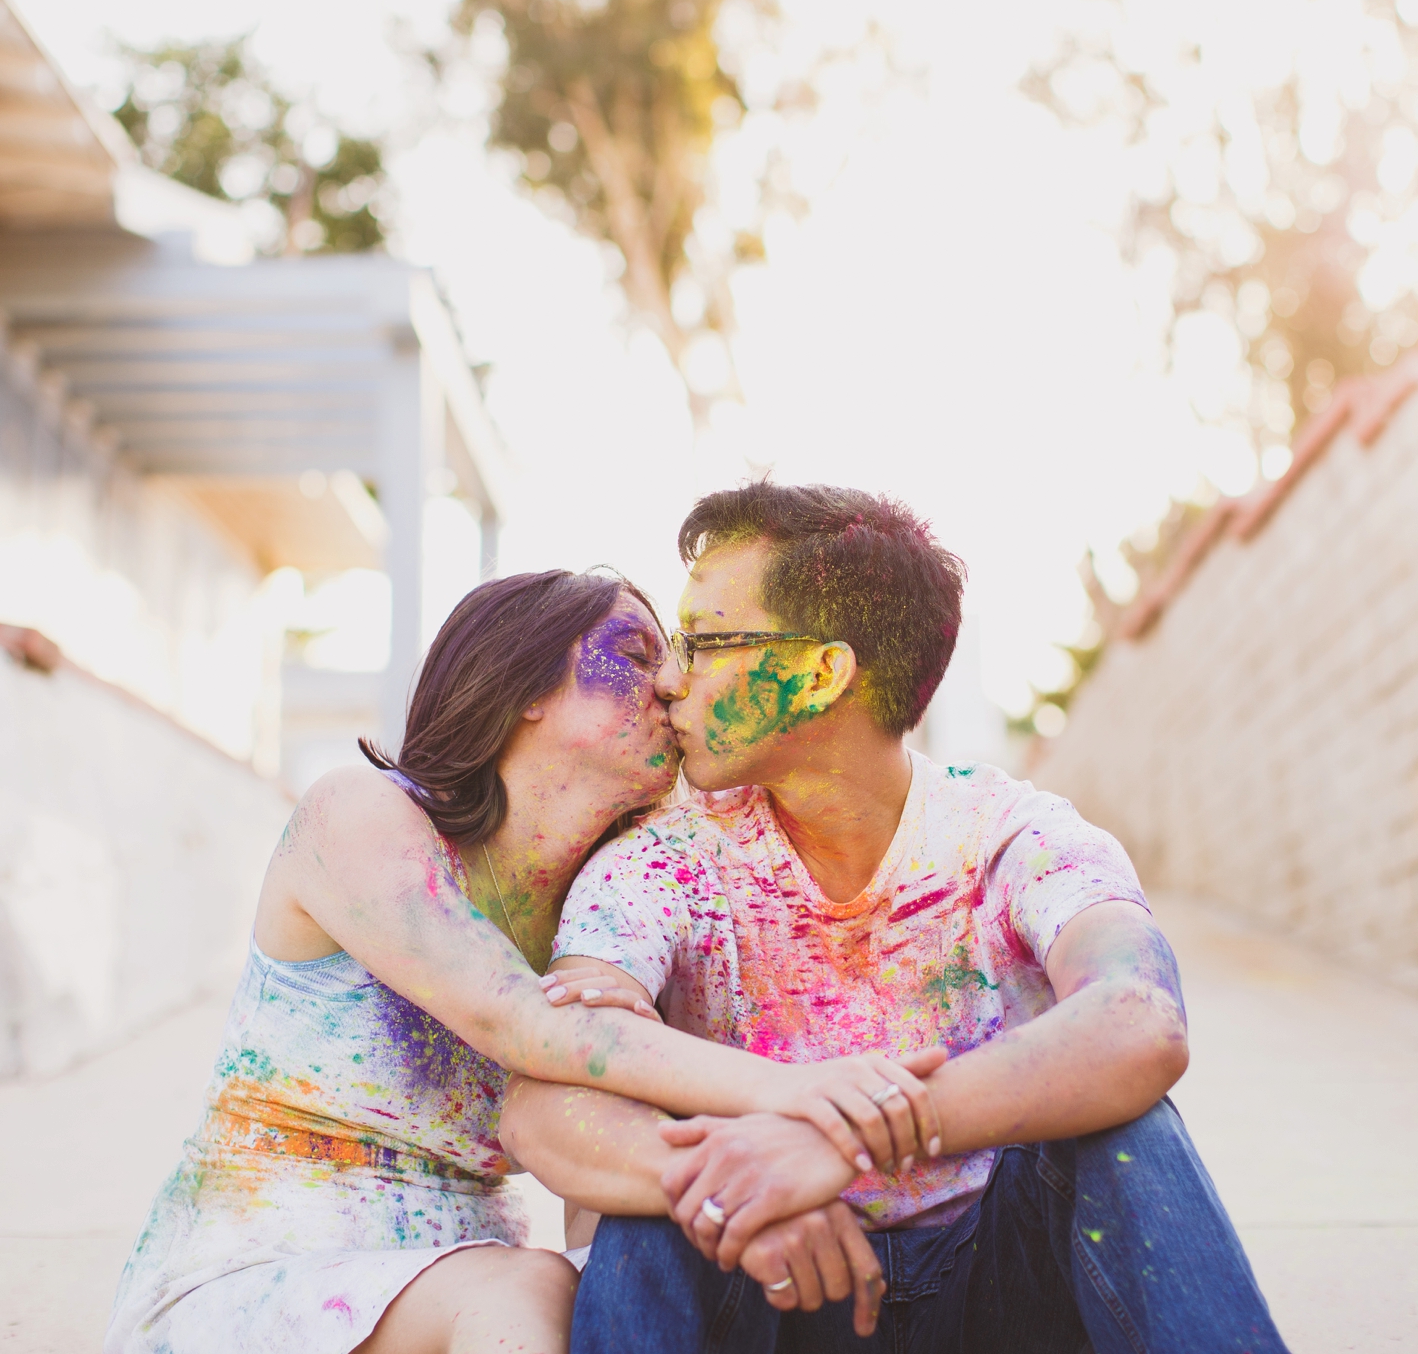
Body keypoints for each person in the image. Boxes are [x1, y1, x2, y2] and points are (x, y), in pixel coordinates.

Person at [498, 485, 1289, 1353]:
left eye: (706, 642)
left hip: (999, 1295)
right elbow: (545, 1100)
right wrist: (729, 1178)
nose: (669, 679)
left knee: (1124, 1127)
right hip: (781, 1291)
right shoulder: (663, 861)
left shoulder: (1010, 835)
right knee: (664, 1199)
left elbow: (1140, 1018)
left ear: (821, 674)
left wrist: (848, 1143)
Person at [106, 569, 949, 1354]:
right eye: (634, 654)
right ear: (523, 687)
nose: (671, 683)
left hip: (466, 1291)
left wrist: (742, 1199)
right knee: (531, 1282)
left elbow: (596, 1188)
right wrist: (802, 1093)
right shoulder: (359, 816)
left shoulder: (622, 909)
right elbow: (521, 1021)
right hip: (258, 1271)